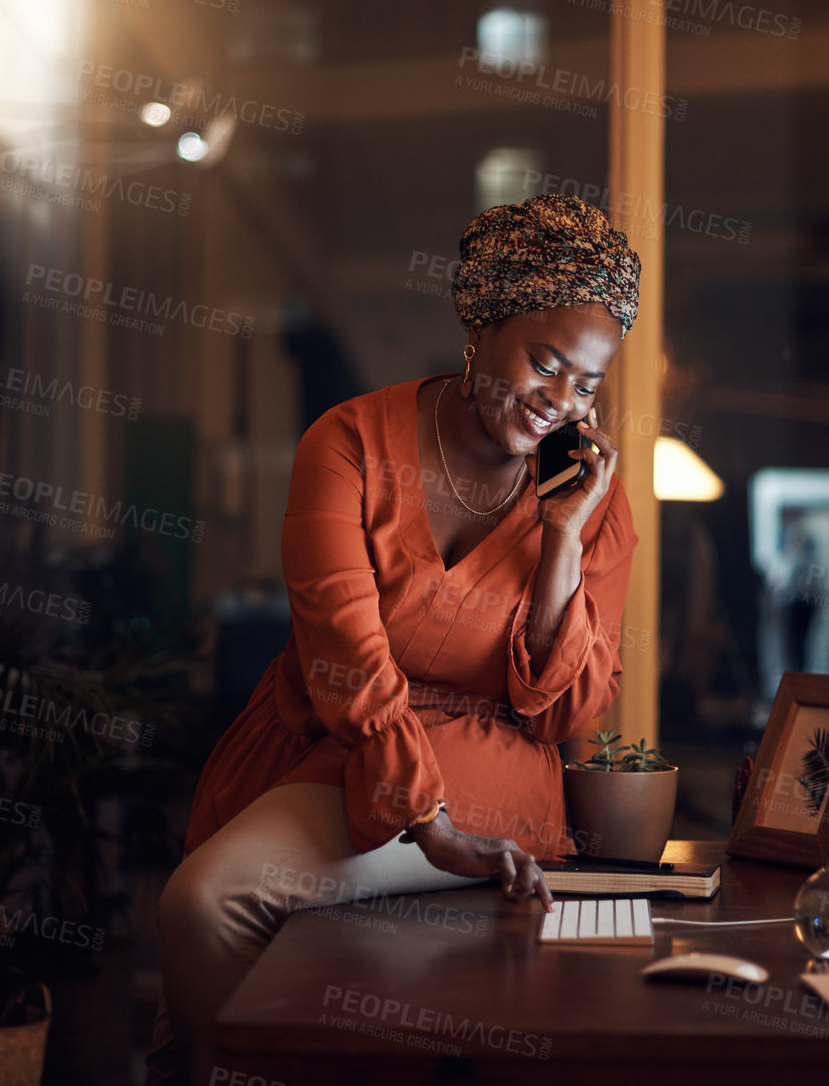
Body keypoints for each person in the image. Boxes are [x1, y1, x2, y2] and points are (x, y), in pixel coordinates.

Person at [146, 194, 642, 1085]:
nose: (560, 403)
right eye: (546, 362)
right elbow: (344, 652)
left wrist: (562, 538)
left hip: (492, 770)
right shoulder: (346, 443)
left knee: (207, 899)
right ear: (482, 321)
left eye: (588, 385)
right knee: (203, 908)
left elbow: (565, 710)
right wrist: (425, 823)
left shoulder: (590, 502)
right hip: (344, 742)